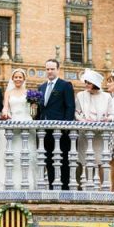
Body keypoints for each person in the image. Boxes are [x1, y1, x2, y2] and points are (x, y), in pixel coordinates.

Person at [36, 58, 76, 189]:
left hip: (61, 131)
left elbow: (70, 107)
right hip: (44, 130)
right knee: (48, 160)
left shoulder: (65, 85)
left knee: (63, 160)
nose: (50, 71)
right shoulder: (41, 87)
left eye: (52, 69)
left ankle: (64, 188)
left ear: (58, 70)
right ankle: (52, 187)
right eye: (47, 69)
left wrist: (66, 127)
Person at [75, 69, 111, 188]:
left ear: (95, 83)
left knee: (99, 160)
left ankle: (101, 186)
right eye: (85, 82)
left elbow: (111, 114)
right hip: (84, 133)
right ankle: (79, 185)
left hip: (99, 135)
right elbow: (76, 113)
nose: (86, 85)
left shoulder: (106, 96)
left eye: (88, 83)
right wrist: (84, 121)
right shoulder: (80, 95)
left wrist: (107, 119)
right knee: (81, 160)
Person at [1, 68, 35, 188]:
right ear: (12, 79)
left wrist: (34, 106)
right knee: (13, 153)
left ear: (24, 79)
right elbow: (5, 107)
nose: (18, 79)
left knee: (27, 153)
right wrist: (5, 113)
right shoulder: (8, 92)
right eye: (16, 77)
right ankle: (12, 182)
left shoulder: (29, 93)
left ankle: (28, 183)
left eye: (20, 77)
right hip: (13, 122)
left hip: (27, 122)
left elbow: (32, 111)